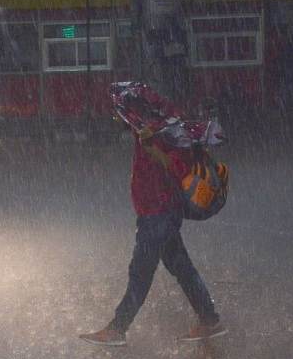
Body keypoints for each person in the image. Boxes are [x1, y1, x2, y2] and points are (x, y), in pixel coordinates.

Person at [81, 117, 225, 346]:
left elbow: (176, 167)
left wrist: (151, 147)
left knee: (140, 274)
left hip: (158, 215)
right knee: (183, 270)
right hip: (157, 213)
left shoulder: (174, 136)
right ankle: (209, 320)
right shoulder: (149, 125)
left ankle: (117, 329)